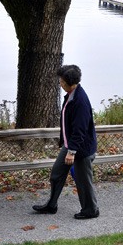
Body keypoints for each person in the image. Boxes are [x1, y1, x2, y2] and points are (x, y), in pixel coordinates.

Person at [33, 64, 99, 219]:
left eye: (62, 81)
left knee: (83, 181)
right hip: (71, 146)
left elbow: (79, 130)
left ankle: (91, 210)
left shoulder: (79, 101)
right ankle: (51, 205)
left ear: (70, 83)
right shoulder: (71, 95)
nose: (60, 84)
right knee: (57, 173)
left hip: (81, 149)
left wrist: (72, 152)